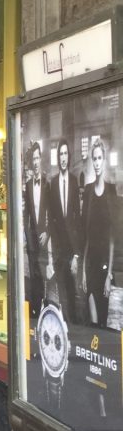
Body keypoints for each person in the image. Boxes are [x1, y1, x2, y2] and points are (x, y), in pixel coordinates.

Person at [82, 138, 117, 329]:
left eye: (99, 158)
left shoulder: (111, 192)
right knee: (94, 322)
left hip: (105, 267)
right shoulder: (87, 191)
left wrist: (109, 274)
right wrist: (83, 273)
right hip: (91, 266)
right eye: (93, 159)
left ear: (104, 160)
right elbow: (86, 235)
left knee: (103, 322)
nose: (96, 163)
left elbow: (112, 237)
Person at [47, 139, 81, 324]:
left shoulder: (75, 182)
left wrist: (76, 255)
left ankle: (75, 331)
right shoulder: (52, 184)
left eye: (66, 154)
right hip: (59, 251)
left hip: (71, 251)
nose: (63, 158)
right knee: (62, 295)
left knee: (73, 292)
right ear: (57, 157)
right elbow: (52, 221)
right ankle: (66, 329)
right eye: (61, 154)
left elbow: (77, 220)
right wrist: (53, 254)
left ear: (69, 157)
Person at [23, 142, 50, 316]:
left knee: (44, 277)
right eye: (33, 158)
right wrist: (26, 236)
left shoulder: (47, 183)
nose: (36, 161)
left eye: (38, 157)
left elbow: (53, 213)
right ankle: (34, 314)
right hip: (32, 240)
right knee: (33, 278)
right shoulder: (29, 185)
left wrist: (47, 232)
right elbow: (27, 214)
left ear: (42, 159)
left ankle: (45, 310)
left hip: (45, 240)